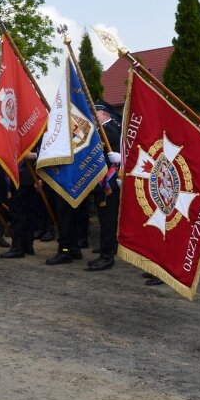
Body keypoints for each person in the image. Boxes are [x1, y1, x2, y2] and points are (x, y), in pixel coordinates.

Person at [87, 100, 122, 272]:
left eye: (96, 113)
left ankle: (107, 257)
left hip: (109, 183)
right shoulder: (104, 129)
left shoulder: (109, 129)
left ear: (105, 114)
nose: (93, 116)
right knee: (105, 220)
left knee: (107, 221)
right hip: (103, 182)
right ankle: (106, 251)